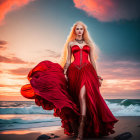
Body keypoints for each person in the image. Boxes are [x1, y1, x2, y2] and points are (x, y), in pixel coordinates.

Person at [20, 21, 119, 140]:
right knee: (77, 98)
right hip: (74, 71)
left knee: (84, 97)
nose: (79, 31)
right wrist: (65, 73)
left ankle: (81, 129)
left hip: (88, 71)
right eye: (77, 29)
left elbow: (93, 61)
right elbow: (68, 60)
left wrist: (98, 76)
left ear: (84, 31)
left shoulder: (89, 44)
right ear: (74, 31)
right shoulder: (70, 44)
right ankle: (78, 127)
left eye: (81, 29)